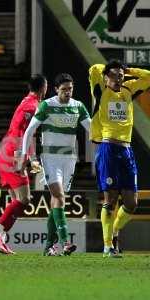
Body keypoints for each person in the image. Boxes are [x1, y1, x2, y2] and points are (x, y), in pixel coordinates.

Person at [21, 73, 91, 256]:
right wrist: (25, 155)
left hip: (69, 160)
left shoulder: (78, 107)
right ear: (56, 90)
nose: (68, 92)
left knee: (57, 201)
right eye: (64, 89)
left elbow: (93, 131)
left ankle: (47, 246)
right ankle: (65, 241)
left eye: (70, 89)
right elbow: (29, 131)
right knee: (59, 195)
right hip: (50, 158)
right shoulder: (47, 105)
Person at [89, 60, 150, 258]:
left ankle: (114, 231)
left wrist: (128, 70)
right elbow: (94, 68)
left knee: (131, 203)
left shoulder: (128, 90)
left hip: (127, 150)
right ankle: (107, 246)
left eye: (120, 76)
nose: (118, 79)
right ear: (106, 77)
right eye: (114, 76)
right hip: (108, 148)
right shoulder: (100, 90)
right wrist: (111, 69)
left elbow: (148, 77)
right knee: (111, 199)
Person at [0, 74, 47, 254]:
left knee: (16, 201)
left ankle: (0, 238)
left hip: (6, 151)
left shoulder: (26, 102)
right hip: (13, 153)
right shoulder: (32, 106)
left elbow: (28, 134)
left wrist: (32, 157)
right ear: (43, 88)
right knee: (25, 199)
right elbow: (23, 133)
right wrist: (22, 157)